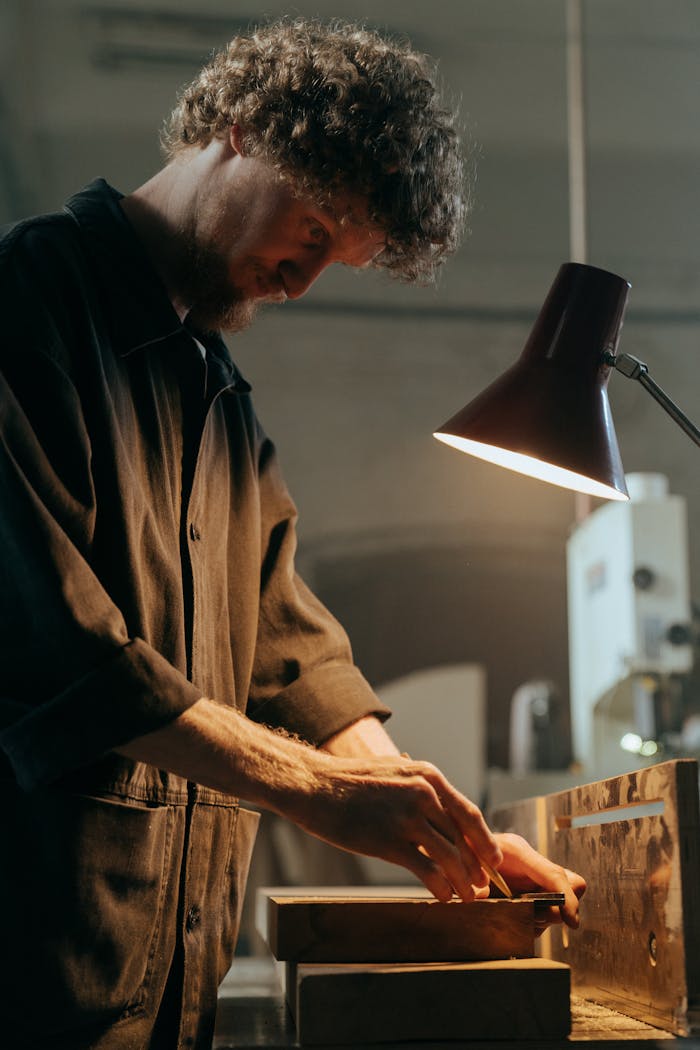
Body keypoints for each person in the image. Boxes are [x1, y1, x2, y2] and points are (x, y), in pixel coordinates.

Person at [0, 18, 585, 1050]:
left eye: (337, 261)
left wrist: (440, 831)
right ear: (236, 129)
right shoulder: (25, 307)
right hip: (33, 976)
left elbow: (294, 655)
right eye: (313, 231)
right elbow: (56, 653)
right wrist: (321, 796)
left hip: (169, 995)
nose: (300, 280)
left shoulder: (219, 399)